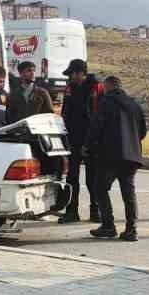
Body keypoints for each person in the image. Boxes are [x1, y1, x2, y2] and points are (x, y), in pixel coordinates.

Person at [86, 75, 146, 242]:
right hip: (131, 156)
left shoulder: (106, 103)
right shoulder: (134, 104)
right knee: (129, 193)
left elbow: (96, 127)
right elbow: (142, 131)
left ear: (108, 87)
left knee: (100, 188)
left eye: (104, 88)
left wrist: (88, 146)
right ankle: (131, 230)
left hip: (110, 155)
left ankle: (108, 226)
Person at [59, 59, 103, 224]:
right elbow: (65, 113)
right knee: (72, 178)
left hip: (91, 139)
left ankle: (96, 211)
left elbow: (101, 114)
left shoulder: (96, 88)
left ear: (80, 73)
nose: (70, 78)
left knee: (93, 178)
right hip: (73, 139)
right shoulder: (70, 88)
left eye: (72, 74)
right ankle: (71, 211)